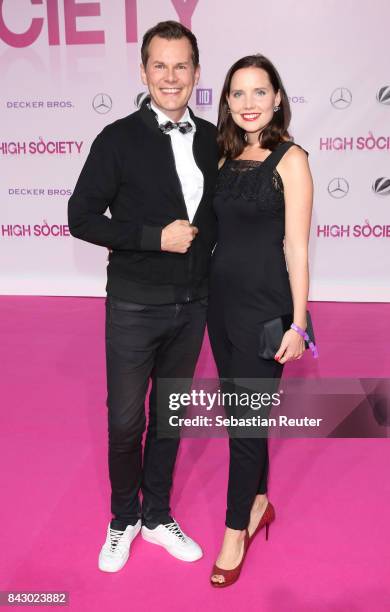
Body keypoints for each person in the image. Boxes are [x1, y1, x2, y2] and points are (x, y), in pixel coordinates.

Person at [68, 21, 218, 572]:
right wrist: (153, 239)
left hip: (193, 306)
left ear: (197, 73)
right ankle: (122, 517)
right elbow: (79, 217)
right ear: (143, 71)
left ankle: (156, 515)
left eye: (182, 66)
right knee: (127, 421)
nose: (171, 76)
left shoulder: (211, 138)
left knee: (170, 417)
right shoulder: (116, 138)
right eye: (160, 65)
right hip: (133, 304)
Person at [207, 54, 313, 587]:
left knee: (245, 429)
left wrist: (298, 325)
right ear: (227, 101)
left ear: (276, 97)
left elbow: (297, 247)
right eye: (238, 93)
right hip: (219, 307)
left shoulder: (291, 159)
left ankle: (234, 531)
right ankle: (261, 502)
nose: (249, 103)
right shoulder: (225, 158)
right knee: (241, 418)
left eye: (259, 92)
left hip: (267, 313)